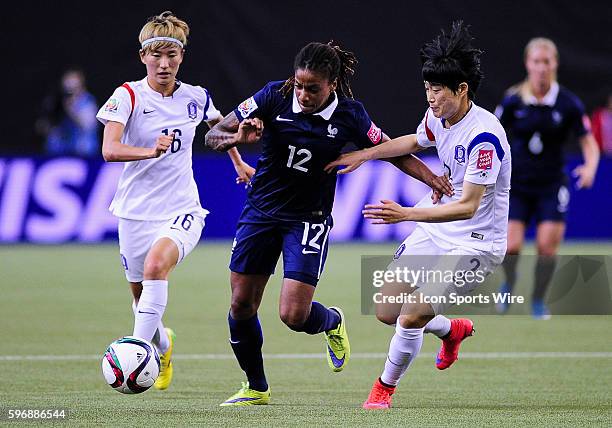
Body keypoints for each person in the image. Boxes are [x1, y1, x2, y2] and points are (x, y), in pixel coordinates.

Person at [205, 41, 453, 406]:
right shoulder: (273, 95)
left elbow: (388, 150)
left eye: (313, 88)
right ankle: (256, 387)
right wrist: (237, 137)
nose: (303, 94)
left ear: (332, 84)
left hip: (308, 218)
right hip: (260, 212)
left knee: (293, 314)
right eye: (299, 84)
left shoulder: (351, 115)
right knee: (241, 304)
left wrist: (430, 178)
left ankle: (331, 321)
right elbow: (213, 136)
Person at [326, 21, 511, 409]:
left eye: (438, 90)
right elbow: (414, 140)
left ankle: (383, 389)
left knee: (409, 317)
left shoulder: (484, 138)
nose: (430, 97)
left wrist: (409, 213)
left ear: (462, 90)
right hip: (440, 229)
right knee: (386, 310)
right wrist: (367, 152)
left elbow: (469, 206)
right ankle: (450, 330)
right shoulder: (441, 117)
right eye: (427, 88)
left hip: (476, 243)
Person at [96, 11, 254, 391]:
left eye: (172, 55)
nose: (164, 63)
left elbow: (219, 131)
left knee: (155, 267)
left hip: (182, 208)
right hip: (135, 212)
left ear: (182, 56)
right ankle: (162, 346)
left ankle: (134, 354)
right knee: (140, 300)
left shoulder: (196, 97)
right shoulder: (128, 95)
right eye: (156, 55)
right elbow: (109, 149)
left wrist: (238, 160)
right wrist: (149, 151)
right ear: (142, 57)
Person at [494, 38, 600, 319]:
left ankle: (538, 301)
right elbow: (492, 137)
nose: (541, 67)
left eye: (547, 62)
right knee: (511, 247)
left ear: (555, 64)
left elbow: (588, 142)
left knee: (545, 248)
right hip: (516, 185)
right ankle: (509, 281)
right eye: (536, 61)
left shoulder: (568, 103)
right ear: (528, 64)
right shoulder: (512, 100)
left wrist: (590, 167)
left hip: (551, 185)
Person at [36, 68, 99, 157]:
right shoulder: (56, 102)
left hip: (83, 153)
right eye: (67, 89)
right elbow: (43, 126)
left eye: (73, 88)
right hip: (59, 151)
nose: (70, 92)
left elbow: (88, 126)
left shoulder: (88, 102)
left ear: (81, 86)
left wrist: (70, 109)